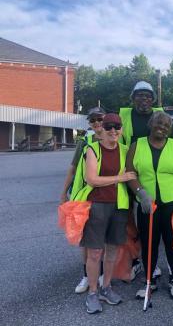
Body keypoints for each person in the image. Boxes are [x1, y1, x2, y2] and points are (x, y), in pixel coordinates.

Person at [73, 113, 136, 314]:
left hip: (119, 206)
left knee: (112, 251)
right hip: (96, 205)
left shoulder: (126, 150)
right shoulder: (92, 149)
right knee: (95, 252)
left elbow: (134, 176)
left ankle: (106, 287)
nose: (112, 130)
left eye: (117, 126)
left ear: (122, 129)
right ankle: (93, 292)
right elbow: (92, 179)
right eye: (108, 126)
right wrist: (121, 177)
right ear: (101, 128)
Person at [126, 111, 173, 298]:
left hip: (171, 204)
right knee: (149, 243)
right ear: (151, 124)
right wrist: (140, 192)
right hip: (148, 205)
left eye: (166, 126)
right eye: (158, 124)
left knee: (172, 242)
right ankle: (149, 280)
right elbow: (130, 172)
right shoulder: (137, 145)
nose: (162, 128)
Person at [119, 81, 164, 280]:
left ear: (153, 99)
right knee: (128, 219)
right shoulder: (125, 116)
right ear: (133, 98)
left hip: (151, 175)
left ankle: (151, 261)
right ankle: (136, 259)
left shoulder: (159, 116)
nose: (144, 99)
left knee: (151, 220)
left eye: (147, 96)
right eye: (139, 95)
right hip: (128, 173)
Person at [59, 106, 106, 294]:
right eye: (93, 120)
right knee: (87, 240)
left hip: (108, 196)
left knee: (105, 238)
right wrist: (63, 193)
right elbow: (72, 168)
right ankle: (87, 276)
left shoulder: (116, 138)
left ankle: (103, 274)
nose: (96, 123)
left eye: (100, 119)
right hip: (85, 196)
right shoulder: (85, 141)